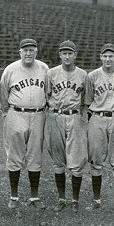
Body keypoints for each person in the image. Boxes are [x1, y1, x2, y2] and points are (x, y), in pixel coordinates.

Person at [0, 38, 50, 209]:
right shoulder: (11, 69)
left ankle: (34, 197)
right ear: (20, 52)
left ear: (36, 52)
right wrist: (7, 112)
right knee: (14, 156)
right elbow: (3, 94)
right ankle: (14, 196)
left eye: (31, 50)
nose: (28, 53)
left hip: (38, 114)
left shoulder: (44, 68)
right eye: (25, 50)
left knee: (35, 155)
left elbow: (48, 92)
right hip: (16, 113)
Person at [85, 44, 114, 209]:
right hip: (97, 118)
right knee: (96, 158)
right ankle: (96, 200)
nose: (108, 59)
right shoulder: (93, 76)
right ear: (100, 57)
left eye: (111, 56)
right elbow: (88, 100)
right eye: (105, 56)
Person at [46, 41, 89, 210]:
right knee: (58, 160)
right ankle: (62, 199)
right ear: (60, 55)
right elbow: (46, 95)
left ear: (75, 55)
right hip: (55, 116)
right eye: (64, 53)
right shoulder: (51, 73)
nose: (67, 56)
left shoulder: (83, 75)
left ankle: (75, 200)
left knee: (77, 159)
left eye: (70, 53)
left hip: (74, 116)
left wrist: (81, 118)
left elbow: (86, 99)